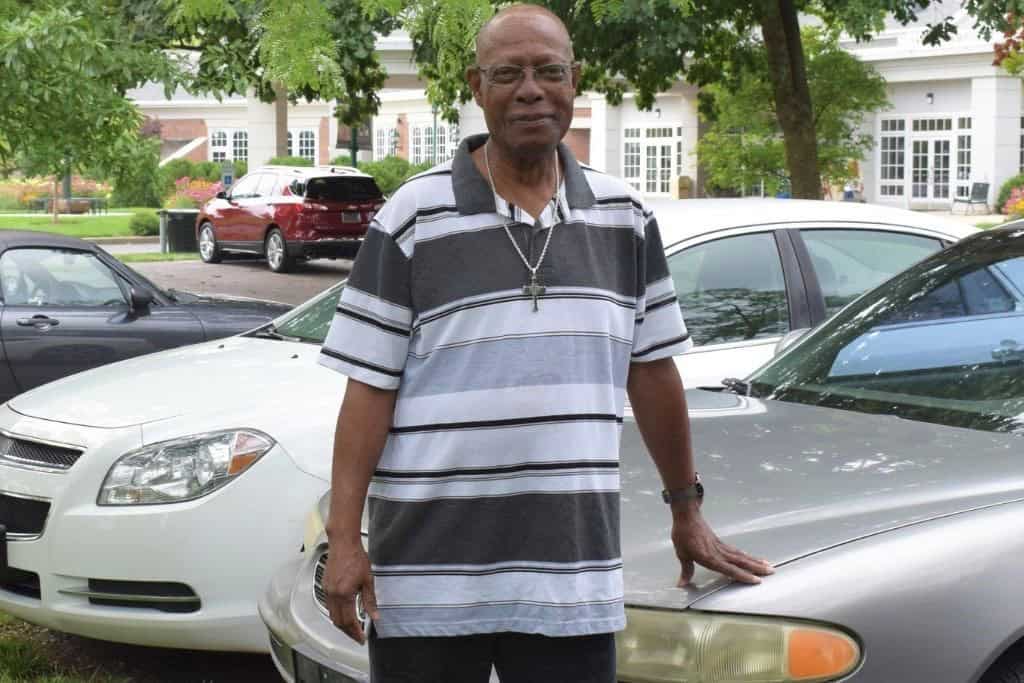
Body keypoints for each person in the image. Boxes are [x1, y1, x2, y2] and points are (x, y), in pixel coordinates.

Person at [317, 5, 773, 681]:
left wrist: (688, 511)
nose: (530, 89)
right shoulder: (413, 217)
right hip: (428, 579)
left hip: (571, 577)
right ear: (477, 87)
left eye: (548, 71)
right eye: (508, 73)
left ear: (574, 81)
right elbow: (368, 389)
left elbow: (652, 377)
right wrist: (343, 541)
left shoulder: (625, 219)